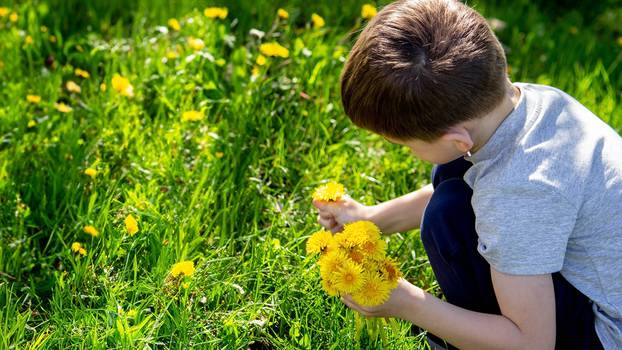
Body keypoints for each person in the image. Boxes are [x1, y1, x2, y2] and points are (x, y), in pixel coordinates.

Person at [312, 0, 622, 349]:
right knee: (455, 175)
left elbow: (532, 343)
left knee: (447, 219)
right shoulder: (531, 105)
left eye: (406, 145)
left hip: (605, 333)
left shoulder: (517, 195)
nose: (408, 152)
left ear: (458, 139)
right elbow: (484, 183)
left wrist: (408, 303)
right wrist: (369, 218)